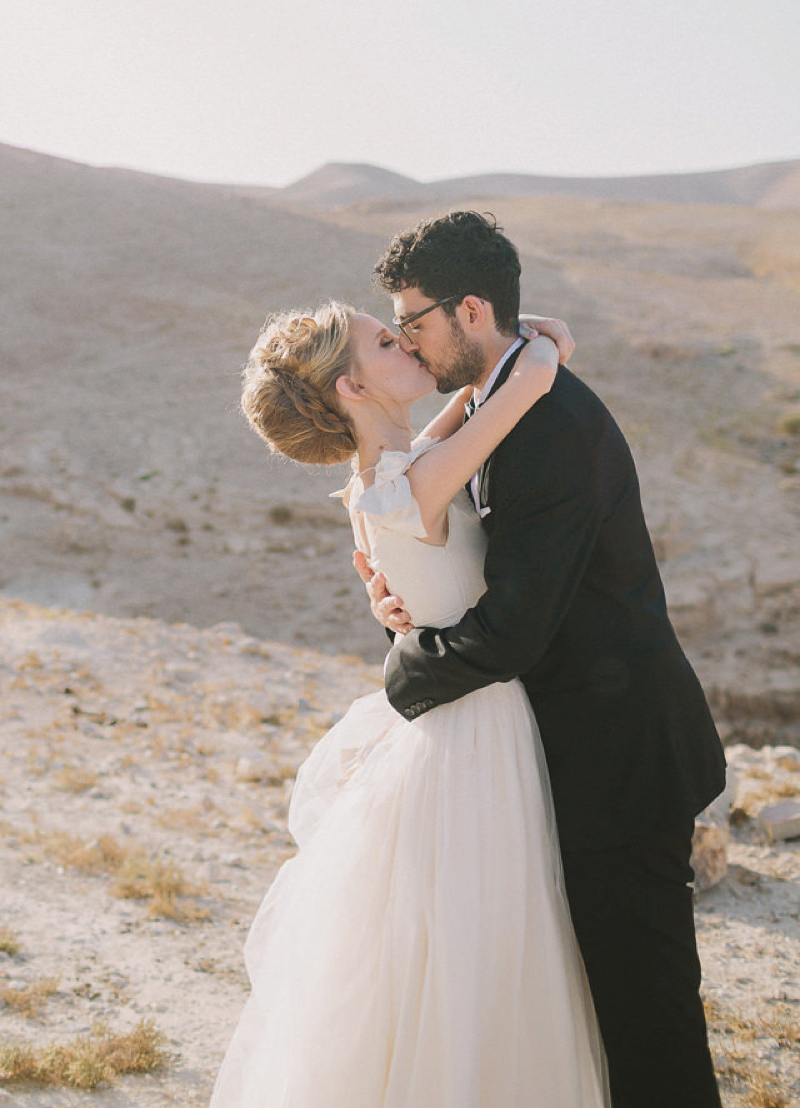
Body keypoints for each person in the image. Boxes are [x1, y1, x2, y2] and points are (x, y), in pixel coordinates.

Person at [360, 209, 725, 1108]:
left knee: (649, 1021)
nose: (407, 339)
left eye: (414, 320)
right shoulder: (502, 399)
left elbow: (516, 628)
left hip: (620, 755)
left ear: (471, 309)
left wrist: (403, 672)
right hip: (564, 749)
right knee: (593, 1012)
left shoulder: (547, 423)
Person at [211, 299, 609, 1108]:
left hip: (460, 716)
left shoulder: (396, 470)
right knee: (486, 946)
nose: (412, 346)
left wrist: (515, 349)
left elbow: (469, 410)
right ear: (354, 386)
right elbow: (525, 385)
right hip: (474, 731)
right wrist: (523, 342)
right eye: (391, 341)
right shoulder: (407, 480)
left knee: (462, 949)